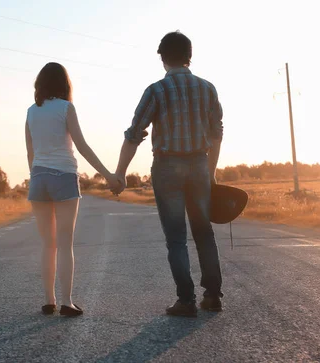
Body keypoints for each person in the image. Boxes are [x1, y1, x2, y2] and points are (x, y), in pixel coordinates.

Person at [112, 31, 225, 317]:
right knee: (204, 231)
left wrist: (120, 173)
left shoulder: (156, 91)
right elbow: (216, 134)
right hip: (200, 164)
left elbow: (134, 134)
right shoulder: (207, 88)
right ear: (190, 56)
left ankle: (186, 301)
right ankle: (212, 296)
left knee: (176, 237)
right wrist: (210, 173)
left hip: (167, 167)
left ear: (163, 59)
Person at [25, 62, 123, 317]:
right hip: (64, 175)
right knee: (65, 243)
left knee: (48, 244)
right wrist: (108, 175)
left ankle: (49, 301)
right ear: (64, 84)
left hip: (38, 178)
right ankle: (67, 302)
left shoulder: (30, 112)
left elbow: (30, 152)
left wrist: (36, 174)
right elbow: (81, 145)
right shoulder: (66, 108)